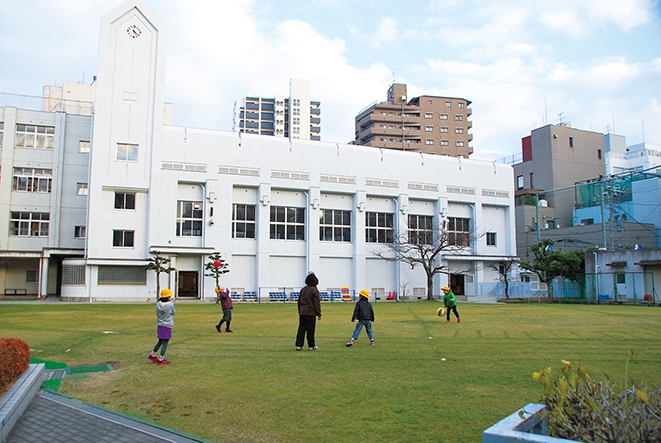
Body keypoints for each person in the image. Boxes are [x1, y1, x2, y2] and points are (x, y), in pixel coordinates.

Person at [148, 288, 176, 365]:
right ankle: (161, 359)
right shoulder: (170, 305)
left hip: (160, 324)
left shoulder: (158, 304)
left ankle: (152, 355)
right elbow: (174, 312)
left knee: (160, 341)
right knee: (165, 343)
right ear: (167, 297)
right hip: (167, 325)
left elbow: (157, 313)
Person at [295, 272, 322, 351]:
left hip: (303, 312)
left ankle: (299, 345)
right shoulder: (314, 290)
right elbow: (316, 303)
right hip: (311, 313)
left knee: (301, 329)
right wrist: (319, 313)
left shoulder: (303, 289)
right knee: (311, 329)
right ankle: (311, 345)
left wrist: (300, 311)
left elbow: (299, 302)